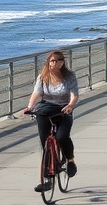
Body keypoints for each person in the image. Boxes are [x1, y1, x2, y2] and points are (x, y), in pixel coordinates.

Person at [23, 50, 79, 191]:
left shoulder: (69, 76)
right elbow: (37, 93)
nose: (55, 63)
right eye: (52, 60)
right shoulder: (43, 77)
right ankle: (46, 180)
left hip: (63, 109)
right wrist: (30, 106)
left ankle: (70, 160)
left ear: (63, 62)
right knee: (44, 144)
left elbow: (74, 94)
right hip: (46, 109)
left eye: (58, 60)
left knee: (62, 136)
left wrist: (71, 105)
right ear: (48, 62)